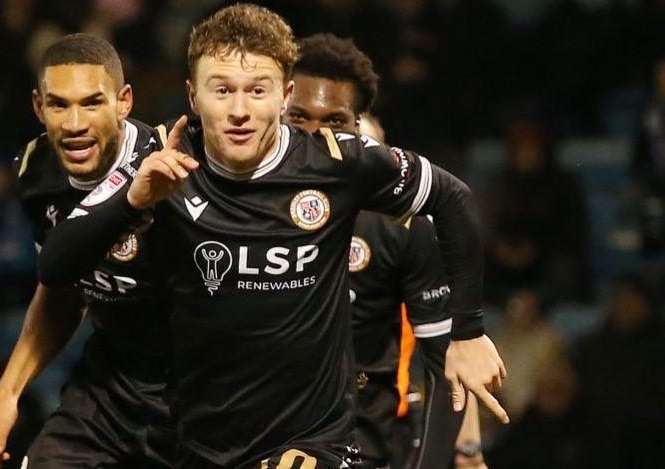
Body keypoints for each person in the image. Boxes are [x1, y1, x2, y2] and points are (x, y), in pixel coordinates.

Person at [39, 5, 507, 468]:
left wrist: (468, 331)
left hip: (314, 441)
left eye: (257, 90)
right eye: (221, 90)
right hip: (197, 441)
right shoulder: (158, 158)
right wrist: (132, 201)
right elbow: (56, 266)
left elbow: (452, 197)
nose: (239, 110)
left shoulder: (336, 162)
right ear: (193, 95)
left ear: (284, 96)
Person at [0, 34, 173, 469]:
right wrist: (6, 394)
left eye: (92, 103)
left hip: (202, 395)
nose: (74, 123)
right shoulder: (36, 171)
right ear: (39, 107)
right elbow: (63, 289)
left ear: (124, 102)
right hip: (110, 390)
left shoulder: (173, 166)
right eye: (59, 105)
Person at [284, 33, 484, 469]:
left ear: (359, 127)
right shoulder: (229, 206)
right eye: (298, 117)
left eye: (334, 121)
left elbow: (444, 367)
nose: (314, 136)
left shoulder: (404, 228)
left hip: (363, 447)